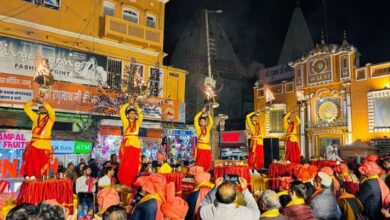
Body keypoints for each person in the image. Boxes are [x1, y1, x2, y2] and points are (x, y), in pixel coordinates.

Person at [21, 97, 55, 180]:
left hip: (45, 147)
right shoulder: (36, 117)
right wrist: (33, 101)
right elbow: (26, 107)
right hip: (35, 145)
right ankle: (31, 178)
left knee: (42, 170)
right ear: (39, 109)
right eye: (41, 107)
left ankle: (41, 186)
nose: (42, 109)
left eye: (44, 107)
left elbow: (52, 112)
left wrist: (44, 102)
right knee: (31, 165)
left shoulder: (50, 119)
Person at [118, 98, 143, 186]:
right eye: (130, 113)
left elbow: (141, 116)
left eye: (133, 113)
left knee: (134, 164)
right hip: (127, 144)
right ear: (128, 115)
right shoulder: (126, 122)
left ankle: (132, 181)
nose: (132, 114)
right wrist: (128, 103)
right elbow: (121, 111)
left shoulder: (138, 122)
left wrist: (137, 107)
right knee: (126, 164)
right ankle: (125, 182)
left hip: (136, 145)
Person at [357, 155, 390, 219]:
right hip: (379, 212)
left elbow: (359, 200)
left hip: (371, 214)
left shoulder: (369, 183)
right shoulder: (379, 179)